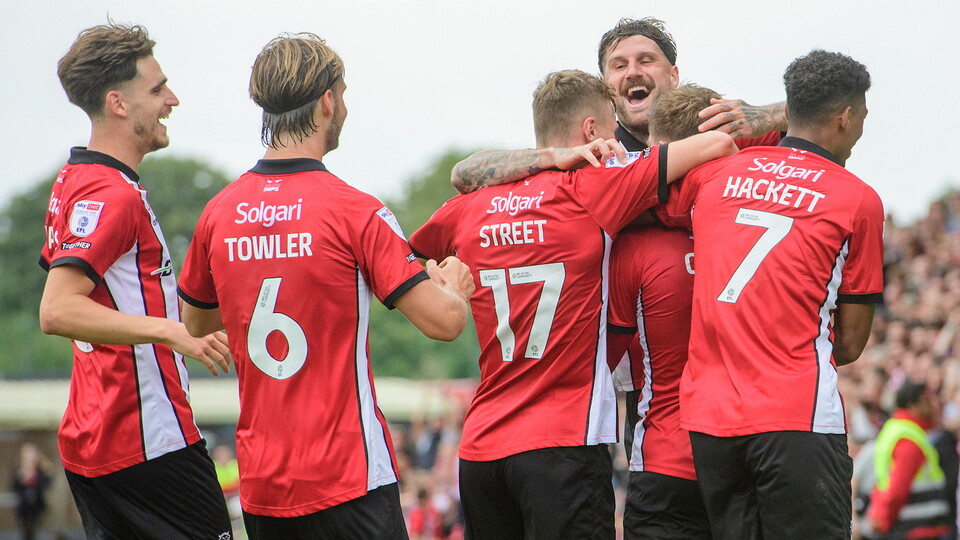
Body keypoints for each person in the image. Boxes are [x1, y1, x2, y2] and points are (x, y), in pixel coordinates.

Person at [409, 69, 736, 539]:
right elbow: (714, 146)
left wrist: (445, 285)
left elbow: (402, 258)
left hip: (480, 450)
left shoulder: (471, 206)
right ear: (590, 132)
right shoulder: (592, 187)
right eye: (610, 131)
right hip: (563, 444)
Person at [177, 33, 474, 539]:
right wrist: (456, 288)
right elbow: (444, 324)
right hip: (348, 475)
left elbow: (197, 326)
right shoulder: (354, 209)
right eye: (345, 95)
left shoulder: (218, 213)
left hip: (262, 481)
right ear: (327, 102)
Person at [655, 49, 883, 539]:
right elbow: (851, 341)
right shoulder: (857, 199)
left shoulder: (715, 171)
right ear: (845, 118)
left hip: (710, 421)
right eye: (862, 118)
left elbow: (649, 187)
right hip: (796, 415)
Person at [37, 22, 233, 539]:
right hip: (147, 440)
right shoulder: (112, 194)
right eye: (157, 88)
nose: (173, 99)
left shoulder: (74, 181)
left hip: (98, 438)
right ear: (118, 104)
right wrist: (171, 331)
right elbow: (57, 309)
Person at [607, 83, 750, 540]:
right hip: (749, 450)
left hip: (667, 455)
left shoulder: (630, 242)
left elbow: (603, 358)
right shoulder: (754, 223)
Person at [449, 17, 784, 193]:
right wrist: (551, 156)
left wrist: (770, 115)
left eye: (646, 60)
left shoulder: (715, 123)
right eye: (619, 65)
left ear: (674, 74)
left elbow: (828, 117)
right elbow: (464, 174)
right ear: (606, 85)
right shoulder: (592, 151)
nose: (633, 72)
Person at [865, 380, 952, 539]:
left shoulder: (898, 429)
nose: (934, 404)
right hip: (916, 529)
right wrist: (885, 521)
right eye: (927, 400)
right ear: (913, 405)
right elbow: (898, 488)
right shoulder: (909, 439)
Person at [11, 443, 52, 540]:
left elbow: (46, 484)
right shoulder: (18, 470)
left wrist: (47, 471)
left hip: (38, 506)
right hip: (24, 507)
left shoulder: (41, 470)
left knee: (37, 530)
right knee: (26, 531)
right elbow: (14, 486)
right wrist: (21, 479)